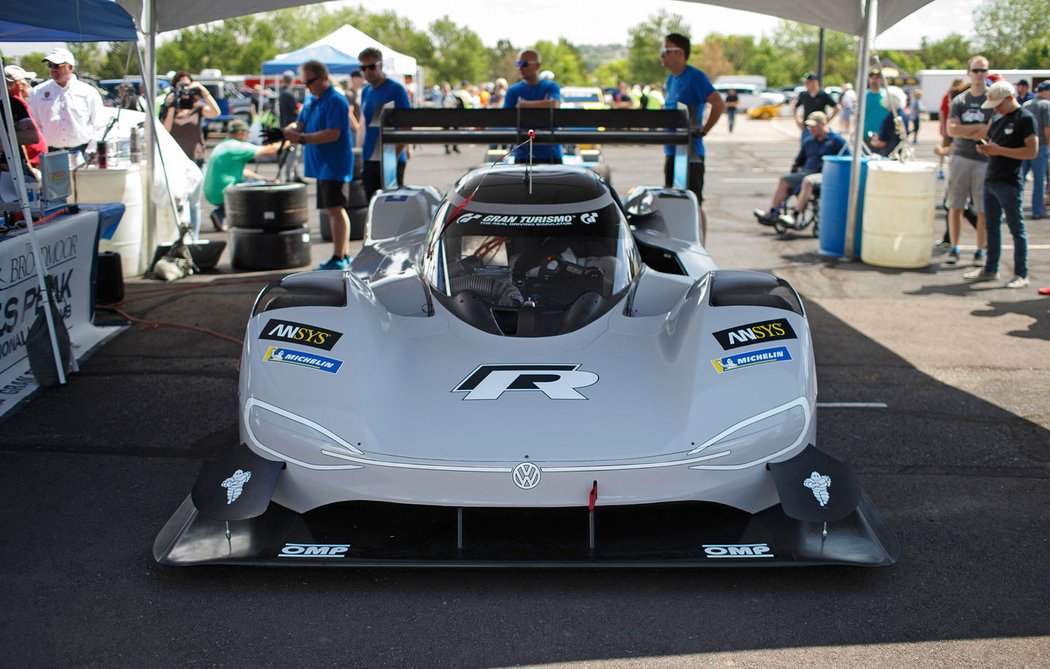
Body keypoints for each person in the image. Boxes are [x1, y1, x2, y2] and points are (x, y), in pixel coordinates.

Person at [963, 80, 1038, 289]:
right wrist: (987, 149)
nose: (996, 108)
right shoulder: (999, 119)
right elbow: (994, 143)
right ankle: (990, 269)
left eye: (998, 103)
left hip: (1009, 182)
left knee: (1016, 228)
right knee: (992, 227)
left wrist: (999, 151)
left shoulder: (1025, 119)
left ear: (1010, 97)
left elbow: (1031, 152)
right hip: (992, 179)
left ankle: (1021, 274)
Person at [283, 59, 354, 271]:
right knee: (333, 210)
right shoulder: (312, 99)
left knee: (335, 209)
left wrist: (301, 137)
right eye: (304, 82)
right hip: (322, 164)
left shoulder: (335, 100)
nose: (307, 85)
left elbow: (333, 134)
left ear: (323, 77)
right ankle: (341, 254)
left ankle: (340, 255)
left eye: (310, 81)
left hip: (334, 163)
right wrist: (291, 128)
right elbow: (301, 121)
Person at [660, 33, 724, 241]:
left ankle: (701, 248)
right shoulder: (671, 80)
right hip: (672, 152)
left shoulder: (695, 77)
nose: (663, 56)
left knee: (694, 203)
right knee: (672, 202)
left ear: (680, 53)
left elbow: (718, 103)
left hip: (691, 155)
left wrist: (704, 130)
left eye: (666, 51)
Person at [753, 111, 847, 227]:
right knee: (784, 180)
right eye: (809, 126)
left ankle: (795, 215)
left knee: (808, 181)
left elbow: (847, 159)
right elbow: (798, 162)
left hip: (824, 175)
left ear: (822, 124)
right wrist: (794, 171)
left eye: (813, 126)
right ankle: (772, 213)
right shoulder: (809, 142)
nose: (810, 129)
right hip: (806, 172)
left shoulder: (836, 141)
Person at [945, 55, 993, 267]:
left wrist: (965, 130)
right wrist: (976, 131)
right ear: (968, 73)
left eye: (983, 70)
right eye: (976, 70)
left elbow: (990, 130)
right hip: (960, 157)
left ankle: (980, 249)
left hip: (983, 160)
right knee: (955, 206)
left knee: (983, 208)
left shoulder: (992, 100)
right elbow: (951, 129)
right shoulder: (960, 101)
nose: (979, 75)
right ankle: (954, 247)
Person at [161, 71, 221, 239]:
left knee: (194, 204)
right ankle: (179, 239)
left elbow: (216, 113)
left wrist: (204, 92)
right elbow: (165, 130)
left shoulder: (198, 106)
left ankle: (193, 239)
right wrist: (172, 105)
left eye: (188, 85)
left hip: (197, 159)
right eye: (181, 86)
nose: (185, 89)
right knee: (180, 201)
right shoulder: (169, 105)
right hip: (176, 161)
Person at [203, 119, 281, 228]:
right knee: (262, 189)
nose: (248, 136)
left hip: (212, 192)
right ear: (240, 133)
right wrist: (287, 139)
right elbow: (271, 150)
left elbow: (243, 172)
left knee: (255, 182)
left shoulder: (223, 145)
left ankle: (220, 213)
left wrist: (265, 179)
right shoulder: (237, 147)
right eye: (247, 133)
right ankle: (256, 221)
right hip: (224, 192)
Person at [29, 47, 104, 159]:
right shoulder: (38, 92)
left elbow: (98, 123)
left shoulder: (88, 92)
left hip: (82, 152)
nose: (52, 69)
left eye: (57, 66)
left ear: (70, 67)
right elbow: (35, 124)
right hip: (50, 153)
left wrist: (93, 148)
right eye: (50, 65)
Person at [358, 47, 411, 203]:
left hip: (390, 157)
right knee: (373, 204)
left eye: (372, 66)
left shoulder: (396, 90)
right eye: (363, 68)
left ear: (380, 65)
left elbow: (406, 127)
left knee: (391, 205)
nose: (367, 71)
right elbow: (366, 124)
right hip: (370, 157)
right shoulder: (365, 92)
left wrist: (393, 157)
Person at [503, 50, 563, 164]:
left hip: (551, 153)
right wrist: (543, 104)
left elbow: (554, 104)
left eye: (524, 64)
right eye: (518, 64)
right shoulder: (513, 90)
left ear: (537, 65)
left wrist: (522, 104)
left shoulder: (551, 86)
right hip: (523, 154)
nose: (520, 68)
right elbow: (505, 119)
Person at [2, 65, 47, 172]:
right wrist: (29, 166)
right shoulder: (14, 105)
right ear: (17, 84)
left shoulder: (20, 104)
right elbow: (24, 141)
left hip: (34, 164)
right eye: (26, 80)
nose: (28, 84)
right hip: (28, 165)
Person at [1020, 81, 1050, 219]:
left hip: (1024, 146)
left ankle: (1015, 209)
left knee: (1019, 180)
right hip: (1040, 146)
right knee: (1039, 181)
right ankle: (1037, 210)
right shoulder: (1046, 105)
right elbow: (1047, 128)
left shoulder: (1026, 104)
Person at [937, 78, 968, 180]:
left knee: (951, 147)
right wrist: (943, 127)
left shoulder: (962, 96)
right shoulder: (949, 95)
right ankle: (941, 168)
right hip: (949, 124)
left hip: (954, 125)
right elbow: (942, 112)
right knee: (947, 146)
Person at [794, 73, 838, 141]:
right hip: (807, 128)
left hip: (820, 129)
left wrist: (827, 120)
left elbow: (837, 107)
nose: (806, 84)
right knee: (806, 149)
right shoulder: (804, 95)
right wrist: (798, 121)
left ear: (815, 82)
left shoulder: (823, 95)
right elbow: (795, 107)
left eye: (808, 82)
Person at [277, 71, 303, 183]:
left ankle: (293, 175)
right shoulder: (289, 94)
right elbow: (297, 110)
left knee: (290, 153)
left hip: (285, 125)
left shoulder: (282, 93)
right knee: (292, 154)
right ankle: (290, 177)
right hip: (292, 127)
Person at [870, 86, 909, 157]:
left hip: (890, 153)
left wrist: (873, 143)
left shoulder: (890, 117)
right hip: (901, 152)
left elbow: (883, 142)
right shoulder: (903, 115)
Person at [863, 69, 889, 151]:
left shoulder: (885, 95)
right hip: (866, 135)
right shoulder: (864, 95)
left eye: (877, 78)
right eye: (872, 78)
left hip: (882, 136)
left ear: (881, 80)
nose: (874, 80)